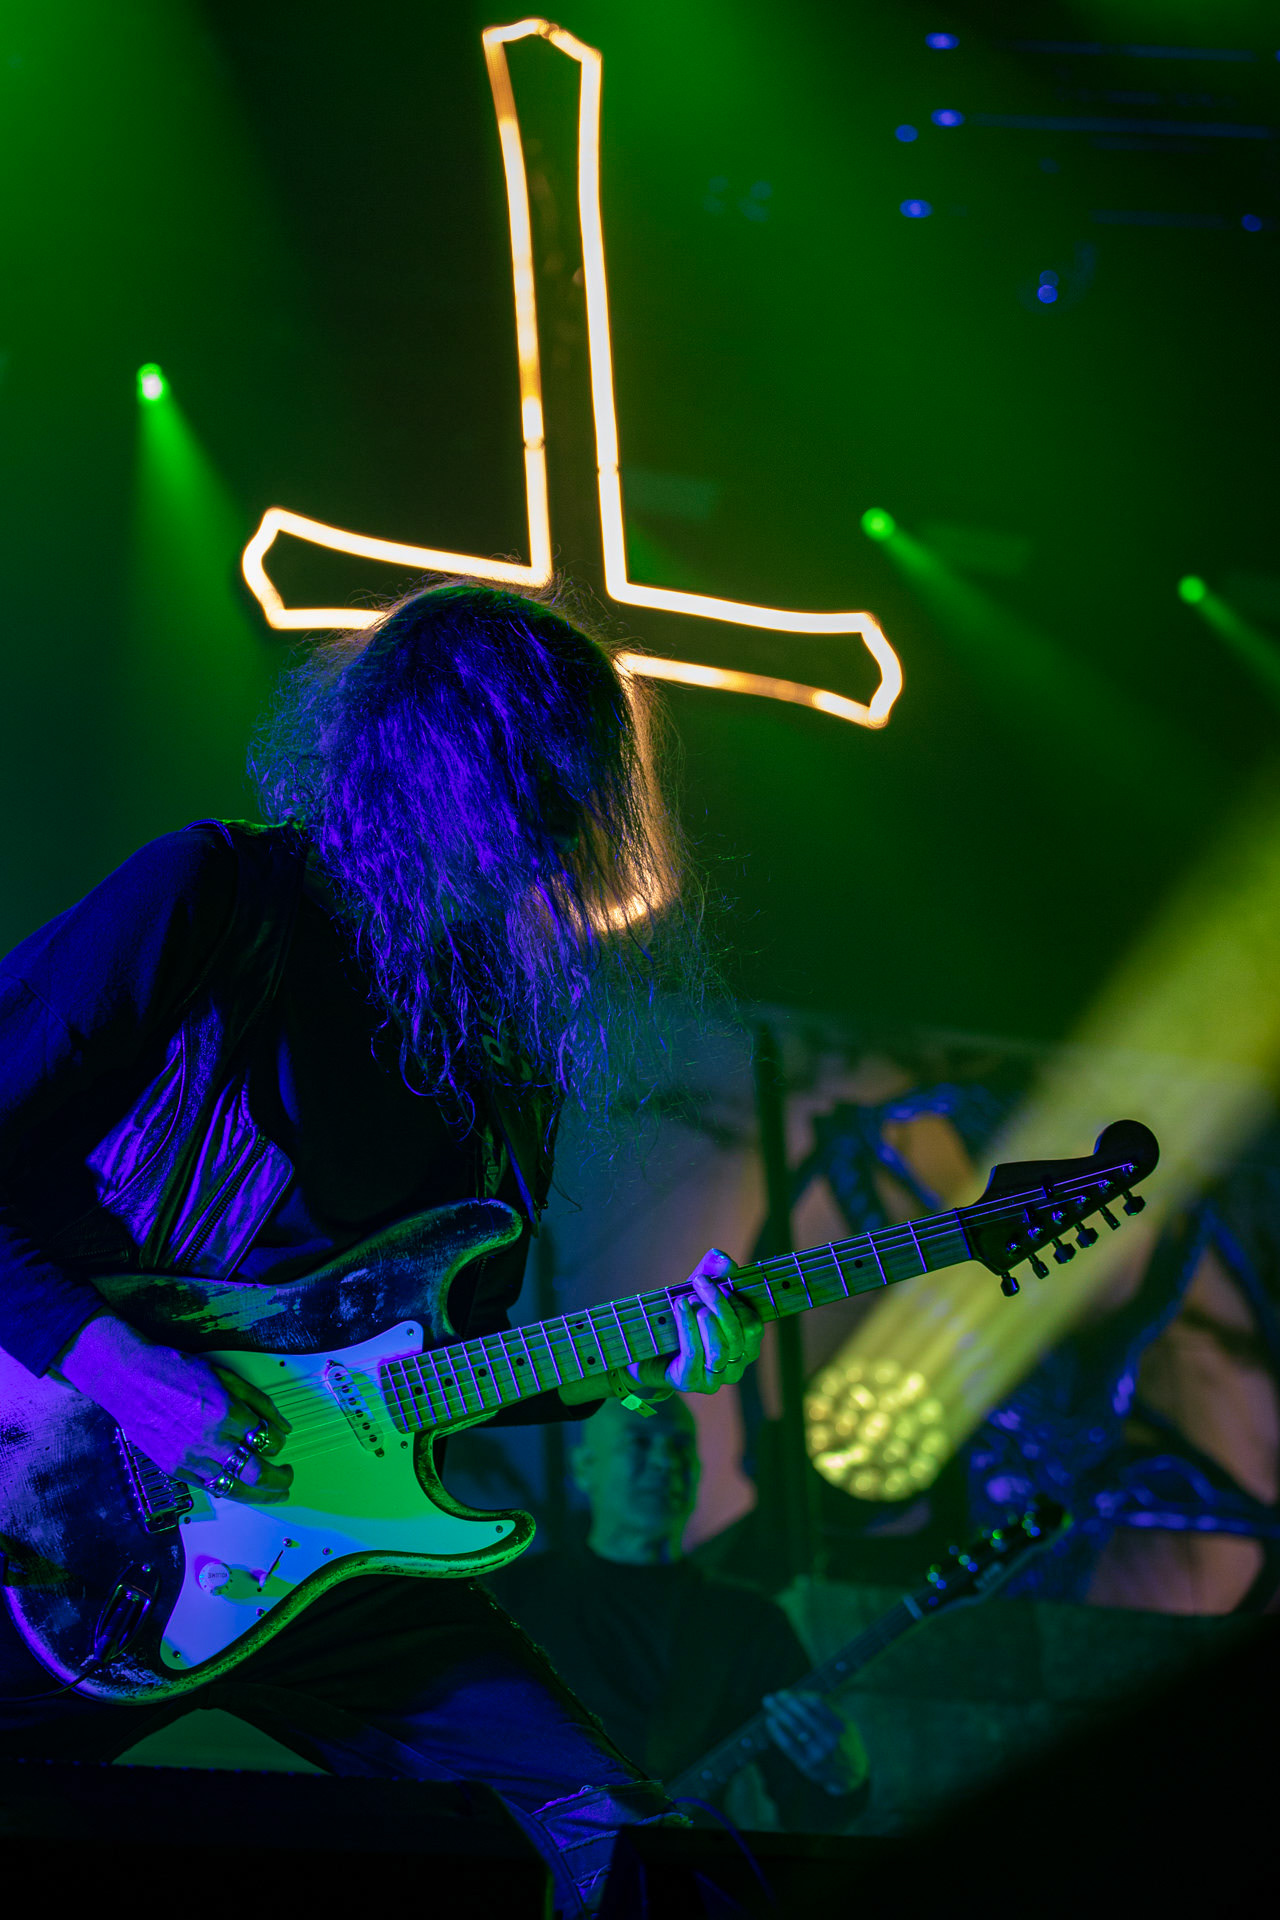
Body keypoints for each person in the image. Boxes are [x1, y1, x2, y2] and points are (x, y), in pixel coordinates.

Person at [0, 582, 764, 1915]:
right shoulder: (216, 897)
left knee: (641, 1852)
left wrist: (651, 1352)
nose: (559, 833)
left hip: (328, 1561)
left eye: (576, 792)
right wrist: (115, 1363)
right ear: (433, 758)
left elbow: (441, 1363)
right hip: (59, 1504)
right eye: (533, 779)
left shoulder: (500, 1053)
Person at [489, 1395, 869, 1830]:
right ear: (584, 1467)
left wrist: (843, 1779)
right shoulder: (509, 1596)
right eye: (640, 1442)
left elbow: (804, 1807)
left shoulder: (751, 1621)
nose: (665, 1463)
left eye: (681, 1446)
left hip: (686, 1881)